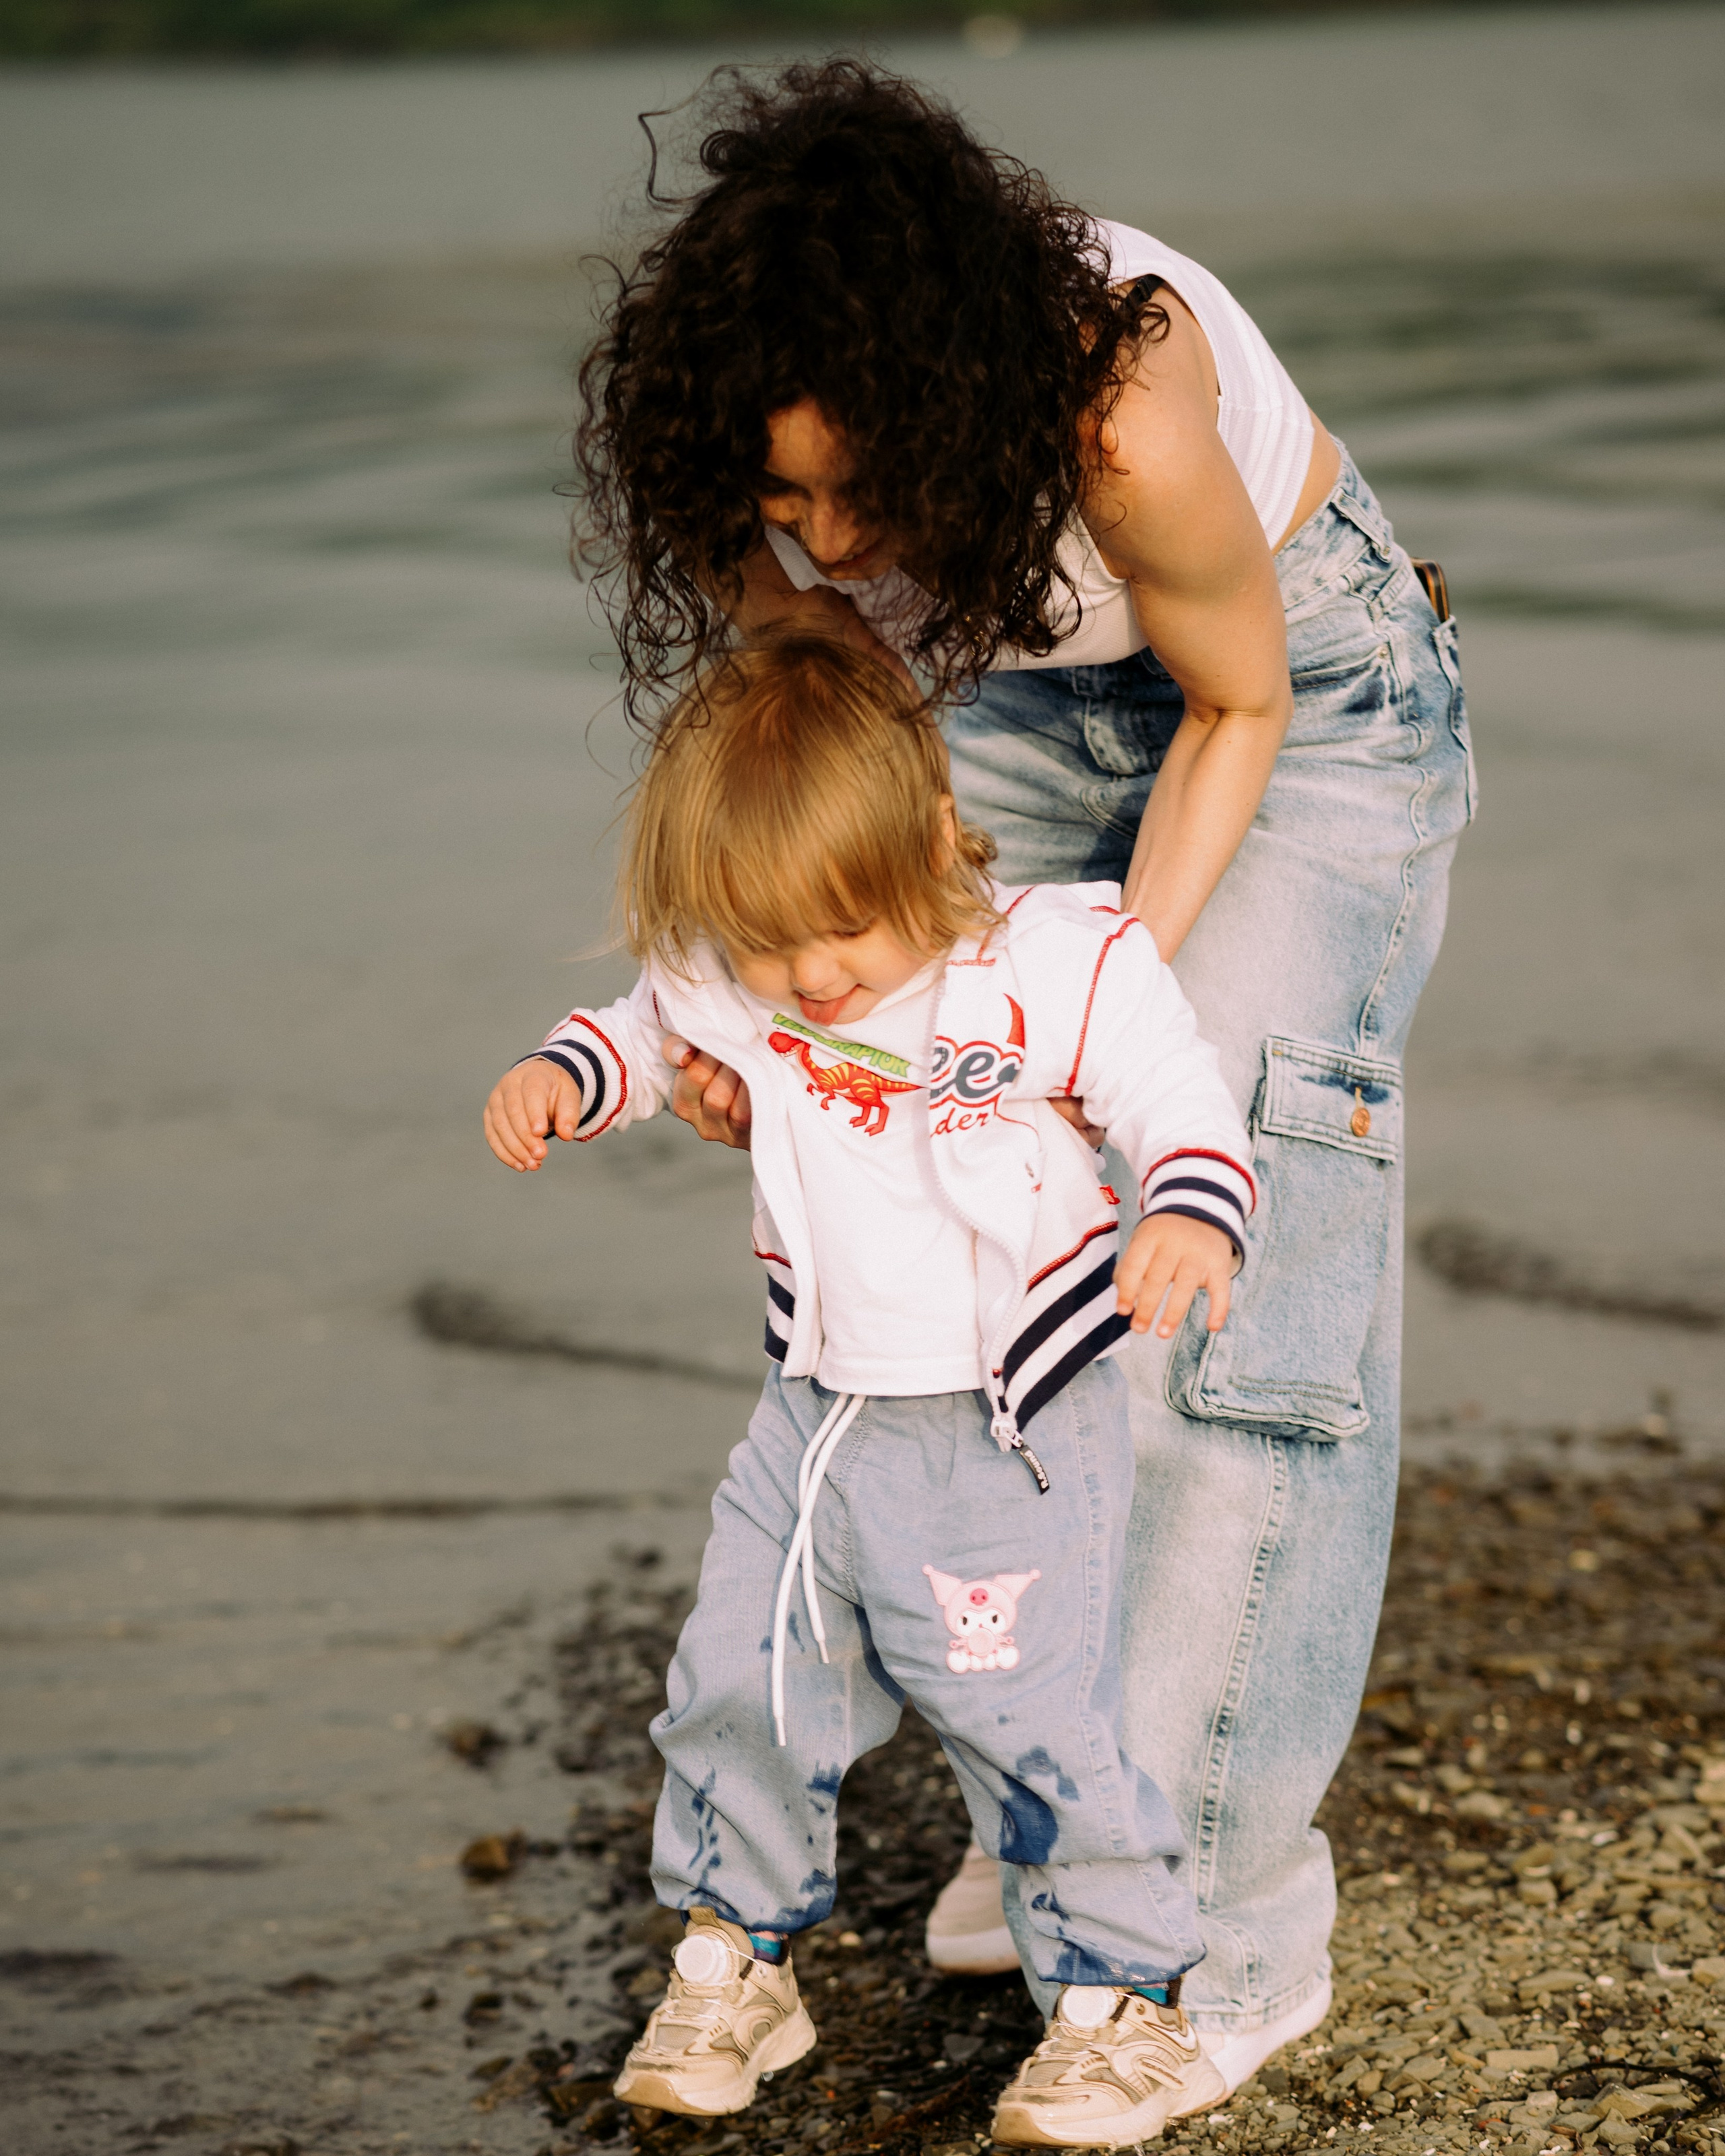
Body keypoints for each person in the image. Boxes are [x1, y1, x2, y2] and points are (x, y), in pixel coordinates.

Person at [575, 59, 1475, 2091]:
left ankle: (1217, 1945)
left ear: (956, 398)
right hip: (1003, 702)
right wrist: (794, 1047)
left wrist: (1067, 1023)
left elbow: (1241, 701)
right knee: (997, 1262)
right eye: (775, 498)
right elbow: (819, 702)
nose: (808, 534)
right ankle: (1075, 1830)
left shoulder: (1123, 416)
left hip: (1292, 702)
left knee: (1221, 1296)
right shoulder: (772, 471)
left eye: (845, 488)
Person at [482, 639, 1261, 2146]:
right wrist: (561, 1077)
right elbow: (645, 1029)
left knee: (1024, 1716)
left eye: (845, 929)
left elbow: (1179, 1095)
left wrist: (1183, 1207)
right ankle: (737, 1962)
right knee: (738, 1682)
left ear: (933, 846)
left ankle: (1126, 2006)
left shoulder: (1045, 959)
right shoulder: (734, 964)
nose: (813, 976)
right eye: (772, 948)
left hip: (1001, 1431)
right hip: (813, 1421)